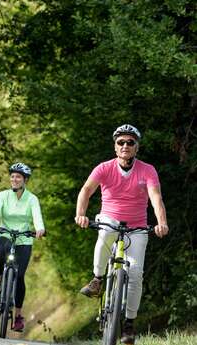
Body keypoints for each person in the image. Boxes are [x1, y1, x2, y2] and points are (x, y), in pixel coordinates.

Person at [75, 124, 169, 344]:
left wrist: (161, 222)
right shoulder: (104, 168)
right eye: (121, 142)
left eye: (130, 142)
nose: (125, 146)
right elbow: (86, 191)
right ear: (115, 147)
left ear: (137, 147)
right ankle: (98, 279)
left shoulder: (147, 170)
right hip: (109, 218)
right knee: (105, 232)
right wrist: (81, 214)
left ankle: (128, 324)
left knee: (135, 272)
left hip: (137, 226)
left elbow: (156, 198)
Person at [0, 163, 46, 332]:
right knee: (5, 249)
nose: (14, 179)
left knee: (19, 276)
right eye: (12, 176)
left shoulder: (32, 199)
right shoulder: (3, 195)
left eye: (18, 177)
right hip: (4, 234)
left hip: (24, 240)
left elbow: (37, 216)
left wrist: (40, 228)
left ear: (25, 180)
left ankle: (18, 316)